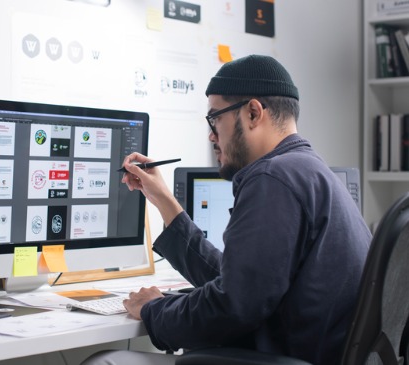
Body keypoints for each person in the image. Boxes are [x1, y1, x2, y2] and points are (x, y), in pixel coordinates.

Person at [81, 55, 371, 365]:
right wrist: (165, 202)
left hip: (284, 358)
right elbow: (239, 285)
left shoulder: (272, 178)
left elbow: (231, 308)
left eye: (215, 118)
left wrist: (154, 309)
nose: (211, 135)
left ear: (253, 113)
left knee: (105, 361)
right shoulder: (306, 170)